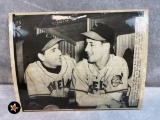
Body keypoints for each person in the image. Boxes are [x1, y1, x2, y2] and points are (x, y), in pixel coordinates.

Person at [73, 23, 129, 108]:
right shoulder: (80, 67)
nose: (86, 49)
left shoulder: (118, 63)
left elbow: (115, 100)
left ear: (106, 46)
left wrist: (89, 98)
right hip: (88, 113)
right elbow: (80, 100)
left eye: (91, 44)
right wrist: (108, 100)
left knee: (103, 107)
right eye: (86, 44)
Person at [24, 33, 75, 109]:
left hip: (68, 105)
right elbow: (44, 100)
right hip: (45, 107)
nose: (60, 53)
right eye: (53, 50)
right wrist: (74, 100)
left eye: (58, 48)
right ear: (41, 57)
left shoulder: (69, 62)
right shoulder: (33, 70)